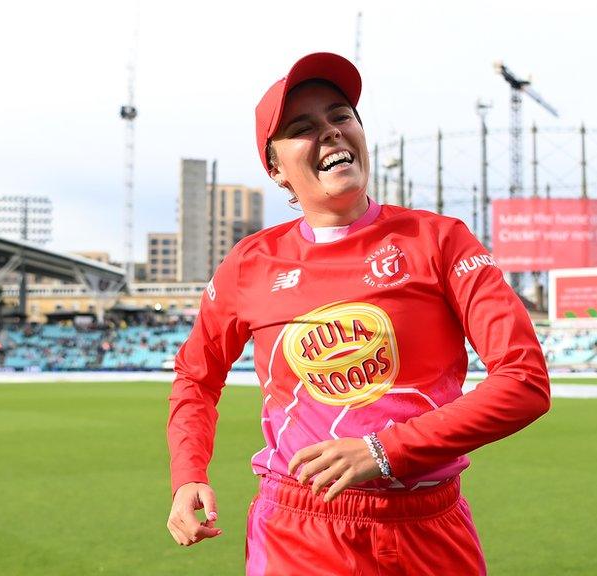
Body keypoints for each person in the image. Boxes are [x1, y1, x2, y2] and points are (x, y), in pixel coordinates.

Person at [167, 52, 551, 575]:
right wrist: (189, 472)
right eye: (303, 127)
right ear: (277, 169)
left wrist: (384, 450)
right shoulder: (250, 264)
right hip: (300, 533)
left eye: (341, 116)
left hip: (430, 528)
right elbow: (196, 376)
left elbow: (525, 382)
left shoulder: (440, 240)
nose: (330, 132)